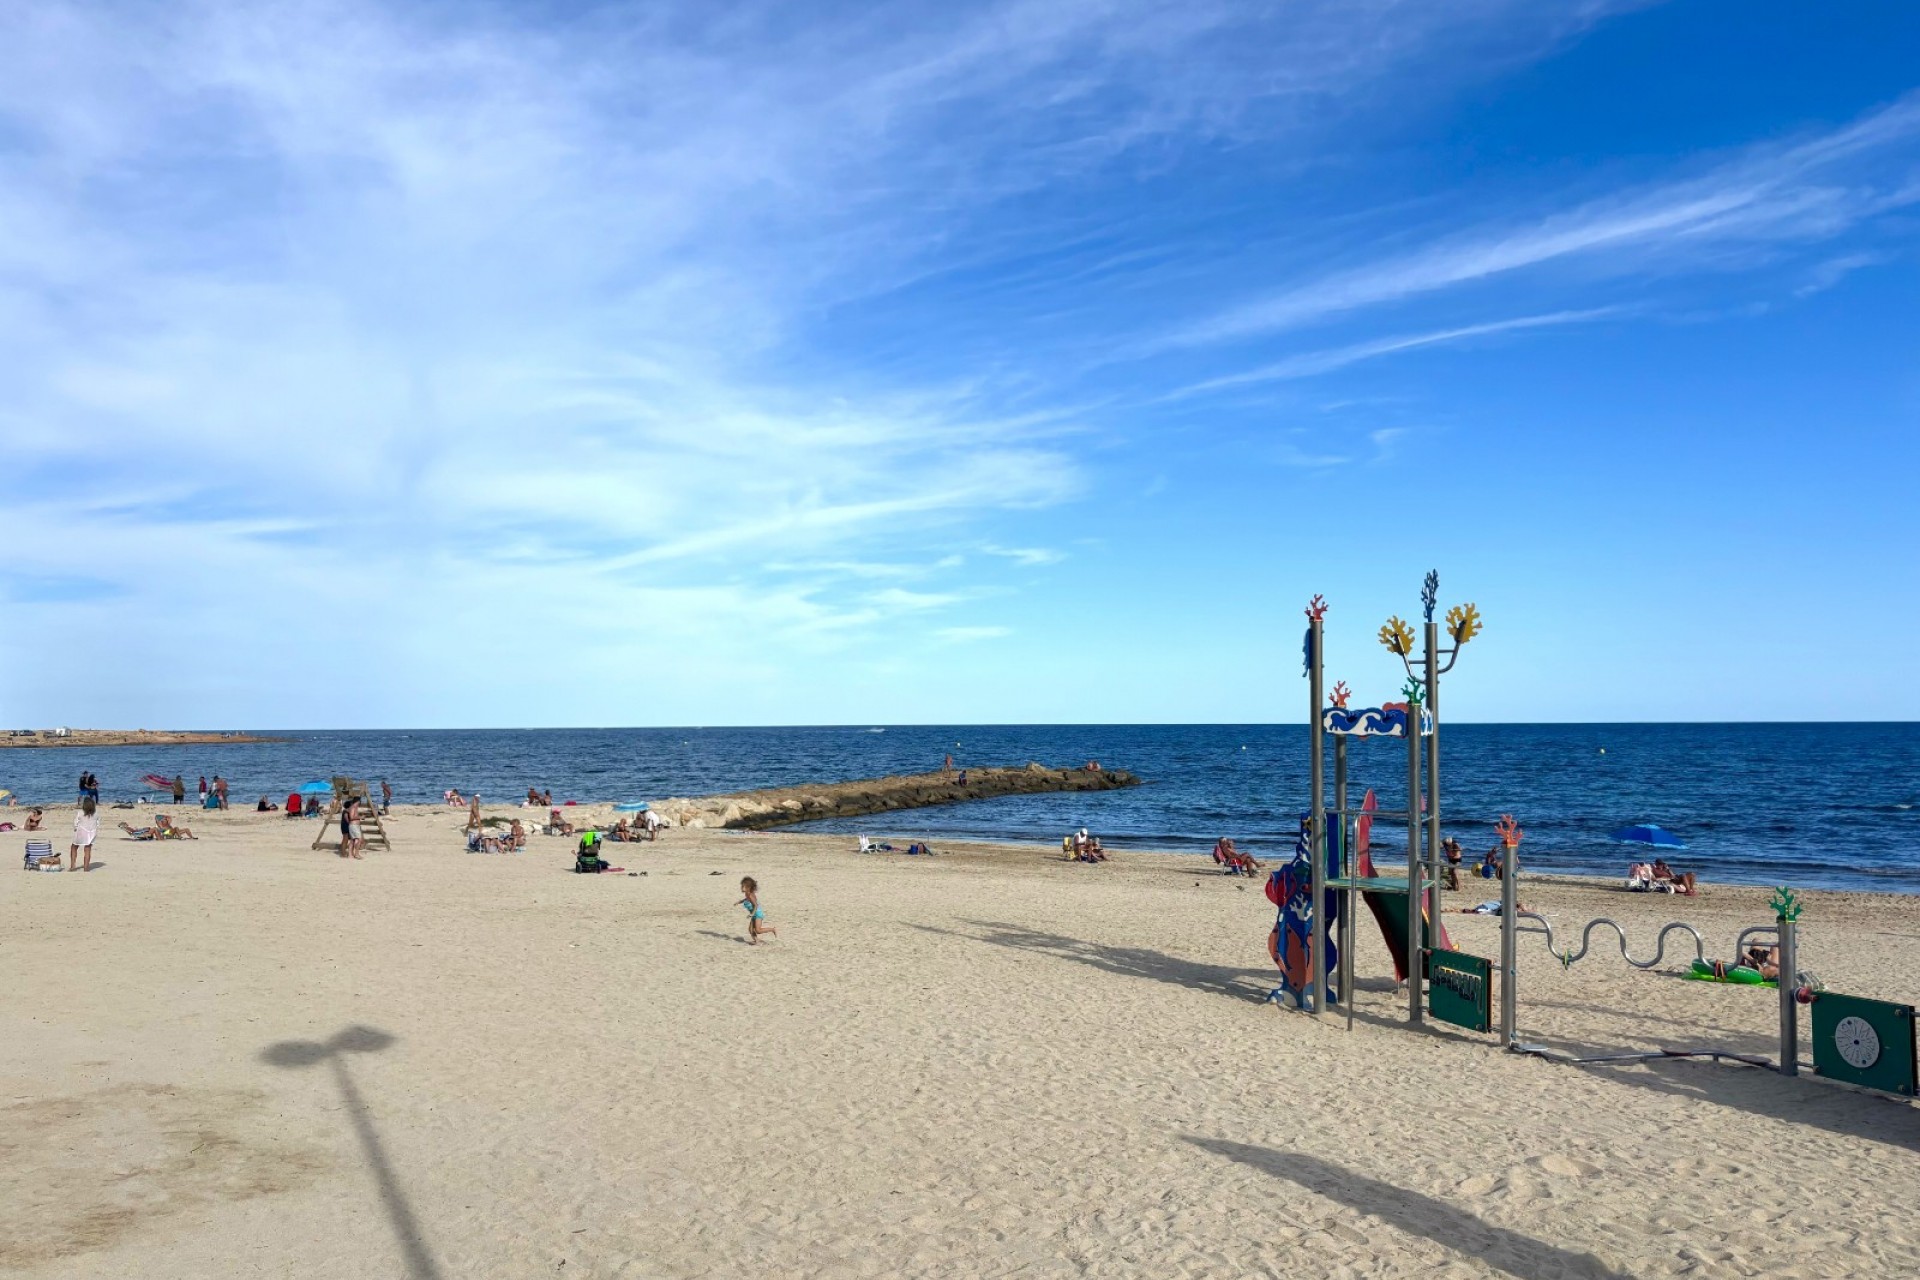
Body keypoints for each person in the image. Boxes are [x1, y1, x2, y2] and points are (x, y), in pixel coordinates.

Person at [738, 877, 778, 944]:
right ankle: (757, 941)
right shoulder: (747, 894)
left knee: (758, 930)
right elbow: (747, 899)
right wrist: (740, 901)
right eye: (741, 886)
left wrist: (752, 914)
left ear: (748, 887)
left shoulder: (750, 895)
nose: (741, 887)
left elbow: (756, 905)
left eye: (743, 886)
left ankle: (772, 929)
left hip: (757, 914)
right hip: (754, 914)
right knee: (750, 930)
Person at [70, 797, 99, 871]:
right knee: (87, 849)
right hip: (92, 833)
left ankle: (73, 866)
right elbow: (98, 823)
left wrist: (75, 828)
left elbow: (75, 823)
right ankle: (86, 868)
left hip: (82, 832)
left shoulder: (80, 813)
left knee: (74, 847)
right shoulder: (96, 814)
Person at [341, 794, 364, 859]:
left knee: (352, 840)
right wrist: (360, 817)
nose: (360, 803)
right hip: (353, 825)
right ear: (358, 801)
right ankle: (356, 854)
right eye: (360, 801)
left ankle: (350, 855)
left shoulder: (354, 807)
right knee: (359, 839)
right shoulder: (353, 807)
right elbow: (351, 817)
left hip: (354, 825)